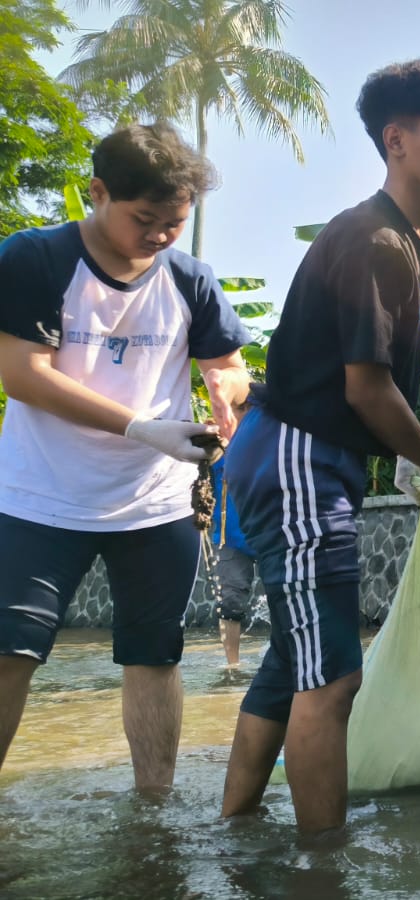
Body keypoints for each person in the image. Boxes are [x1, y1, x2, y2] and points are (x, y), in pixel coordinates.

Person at [219, 60, 420, 834]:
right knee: (335, 679)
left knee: (291, 665)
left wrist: (405, 452)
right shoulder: (377, 240)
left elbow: (369, 392)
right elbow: (364, 388)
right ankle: (322, 868)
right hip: (301, 457)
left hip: (300, 455)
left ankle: (236, 830)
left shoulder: (395, 241)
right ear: (397, 140)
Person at [0, 123, 251, 790]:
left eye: (176, 222)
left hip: (154, 503)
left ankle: (154, 810)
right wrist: (143, 427)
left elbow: (227, 363)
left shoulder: (190, 278)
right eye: (146, 219)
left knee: (155, 654)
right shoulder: (35, 257)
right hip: (38, 497)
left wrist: (227, 395)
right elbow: (22, 374)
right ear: (98, 192)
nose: (161, 236)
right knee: (10, 652)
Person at [210, 454, 257, 667]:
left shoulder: (267, 433)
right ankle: (233, 665)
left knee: (284, 598)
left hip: (272, 532)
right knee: (229, 602)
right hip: (229, 538)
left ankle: (285, 659)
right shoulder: (214, 449)